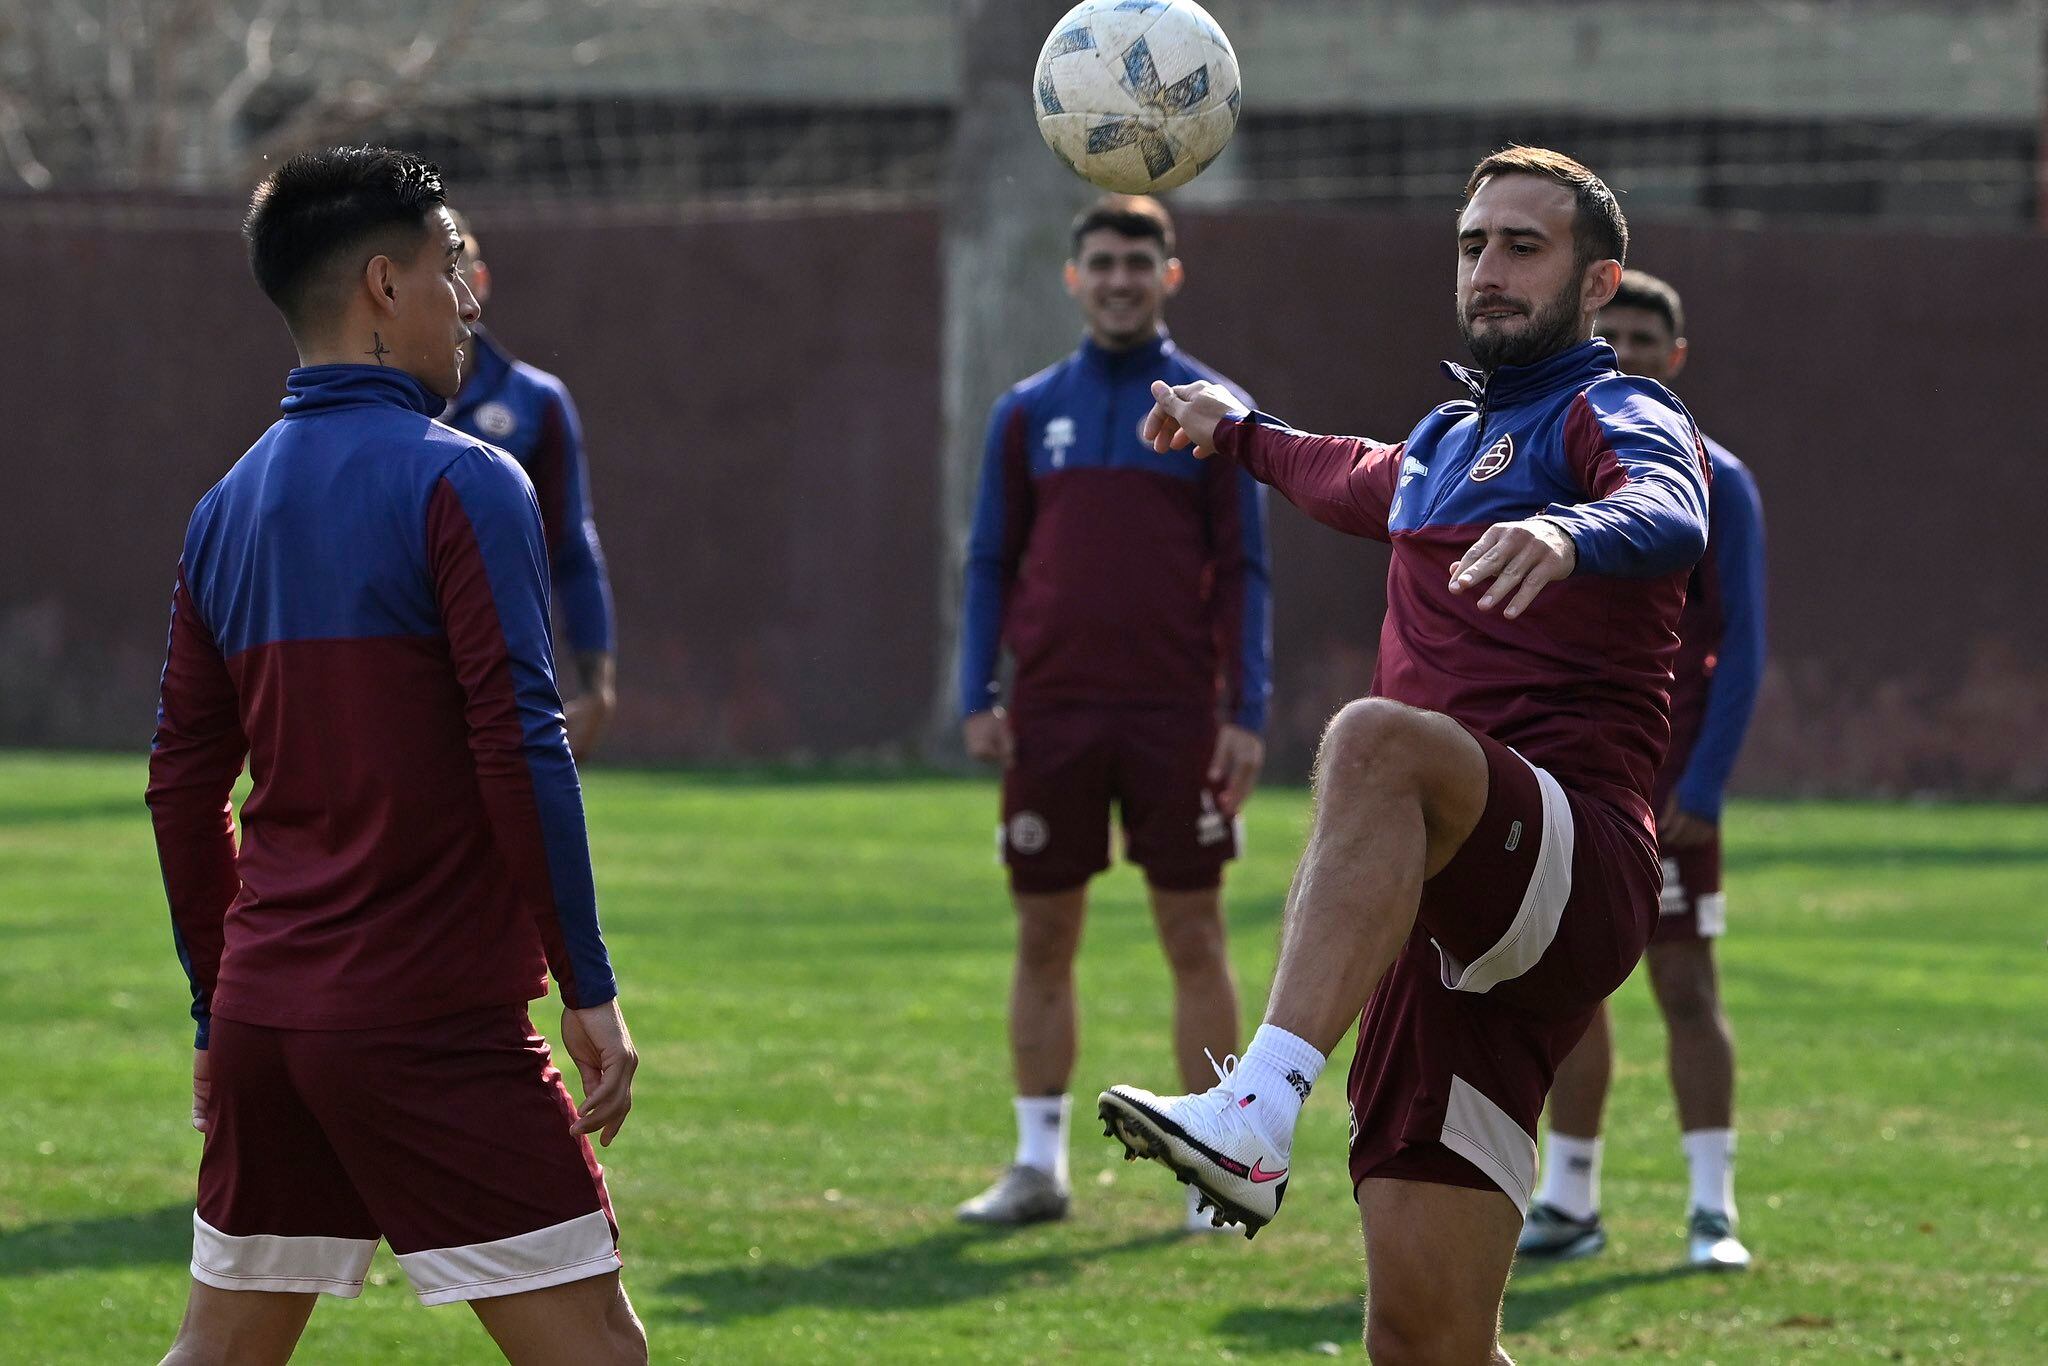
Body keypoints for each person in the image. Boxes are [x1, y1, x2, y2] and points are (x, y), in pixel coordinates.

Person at [1099, 147, 1710, 1361]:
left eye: (1521, 247)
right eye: (1471, 243)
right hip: (1450, 933)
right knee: (1422, 1340)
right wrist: (1240, 431)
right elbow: (1358, 475)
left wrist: (1569, 527)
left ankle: (1255, 1105)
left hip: (1570, 859)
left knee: (1373, 741)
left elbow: (1666, 504)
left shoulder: (1617, 408)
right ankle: (1256, 1117)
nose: (1486, 268)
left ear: (1599, 285)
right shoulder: (1449, 432)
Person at [147, 147, 645, 1366]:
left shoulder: (223, 506)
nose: (466, 301)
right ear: (383, 283)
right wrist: (588, 986)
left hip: (270, 1019)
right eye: (444, 272)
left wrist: (221, 1009)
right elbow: (521, 745)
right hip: (428, 1022)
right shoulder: (465, 479)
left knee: (216, 1356)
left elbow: (179, 785)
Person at [954, 194, 1273, 1232]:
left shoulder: (1214, 409)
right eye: (1101, 263)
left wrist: (1246, 707)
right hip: (1050, 712)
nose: (1119, 280)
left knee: (1193, 931)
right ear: (1073, 276)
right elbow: (990, 560)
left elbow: (1244, 571)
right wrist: (977, 690)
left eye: (1138, 264)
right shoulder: (1025, 410)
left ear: (1167, 276)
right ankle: (1036, 1165)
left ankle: (1209, 1175)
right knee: (1043, 933)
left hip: (1174, 712)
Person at [1518, 270, 1766, 1271]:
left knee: (1682, 983)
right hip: (1572, 774)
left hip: (1665, 786)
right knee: (1568, 985)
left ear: (1676, 356)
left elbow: (1740, 645)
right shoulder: (1558, 467)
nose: (1622, 352)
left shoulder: (1718, 478)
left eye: (1642, 338)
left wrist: (1700, 785)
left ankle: (1711, 1209)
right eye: (1605, 335)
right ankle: (1567, 1199)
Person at [441, 208, 618, 760]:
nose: (449, 289)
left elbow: (571, 543)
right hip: (391, 671)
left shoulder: (535, 402)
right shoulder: (371, 403)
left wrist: (597, 685)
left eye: (456, 266)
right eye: (432, 271)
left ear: (481, 280)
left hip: (506, 673)